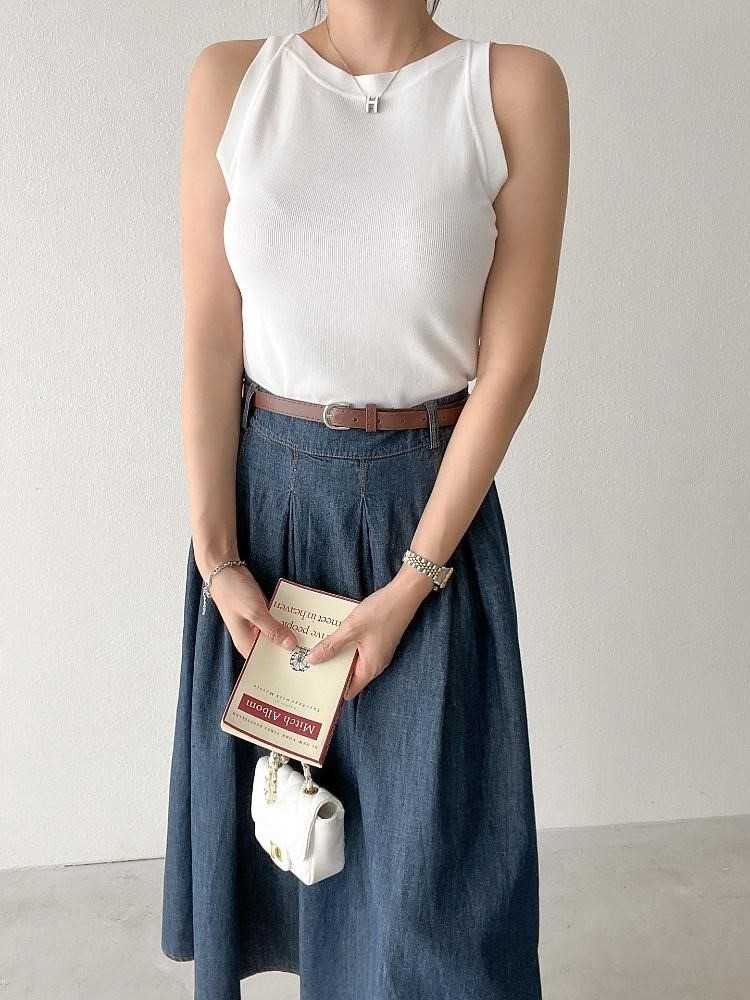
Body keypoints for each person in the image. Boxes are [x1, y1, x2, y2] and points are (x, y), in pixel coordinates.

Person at [161, 2, 569, 998]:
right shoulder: (233, 80)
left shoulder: (510, 87)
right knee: (285, 840)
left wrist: (415, 578)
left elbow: (509, 369)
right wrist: (219, 558)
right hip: (265, 523)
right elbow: (210, 336)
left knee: (437, 891)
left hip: (425, 516)